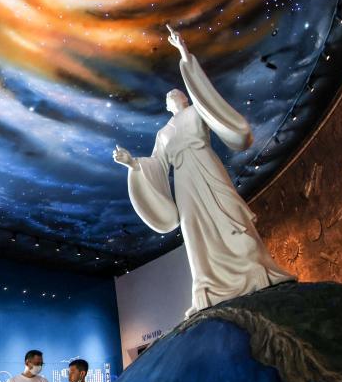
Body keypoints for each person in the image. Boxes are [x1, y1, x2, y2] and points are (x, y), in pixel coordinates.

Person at [113, 26, 295, 318]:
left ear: (184, 98)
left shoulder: (197, 112)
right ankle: (207, 287)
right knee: (194, 227)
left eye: (176, 93)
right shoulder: (163, 133)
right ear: (167, 106)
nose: (172, 96)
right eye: (168, 97)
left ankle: (253, 267)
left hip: (206, 165)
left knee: (227, 211)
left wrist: (184, 53)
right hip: (183, 180)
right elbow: (157, 164)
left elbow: (204, 93)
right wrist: (133, 164)